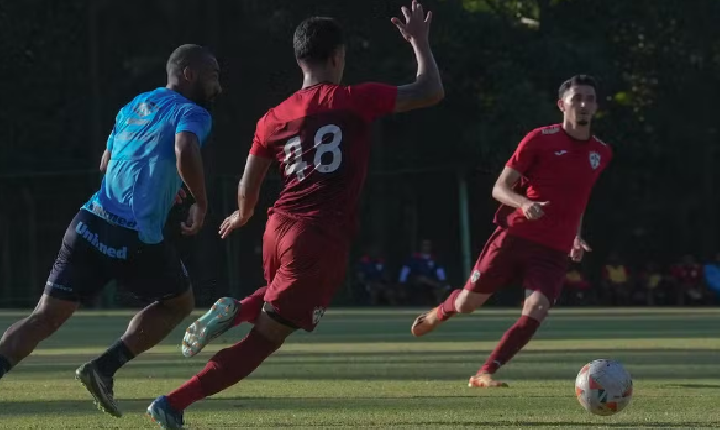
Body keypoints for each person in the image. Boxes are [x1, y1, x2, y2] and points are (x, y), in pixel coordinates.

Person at [146, 2, 443, 427]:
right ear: (337, 56)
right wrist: (420, 43)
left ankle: (239, 308)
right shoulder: (355, 99)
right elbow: (429, 90)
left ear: (299, 59)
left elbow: (250, 179)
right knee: (264, 341)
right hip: (319, 237)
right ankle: (174, 402)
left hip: (277, 227)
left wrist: (243, 215)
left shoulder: (272, 117)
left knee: (271, 301)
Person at [0, 44, 221, 417]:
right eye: (214, 77)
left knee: (45, 316)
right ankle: (104, 367)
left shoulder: (135, 105)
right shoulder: (192, 111)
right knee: (179, 304)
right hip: (135, 235)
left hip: (89, 222)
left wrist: (164, 179)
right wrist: (200, 201)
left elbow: (108, 162)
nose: (219, 86)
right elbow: (184, 146)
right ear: (189, 75)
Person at [410, 74, 612, 388]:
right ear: (562, 105)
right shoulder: (539, 139)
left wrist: (575, 234)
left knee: (537, 309)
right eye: (577, 99)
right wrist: (523, 204)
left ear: (596, 106)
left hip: (553, 250)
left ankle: (485, 372)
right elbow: (499, 188)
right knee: (467, 304)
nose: (584, 105)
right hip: (515, 237)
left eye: (590, 99)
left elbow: (579, 199)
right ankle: (441, 311)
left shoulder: (602, 153)